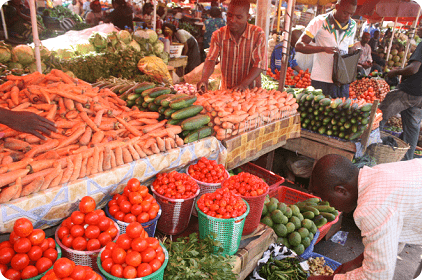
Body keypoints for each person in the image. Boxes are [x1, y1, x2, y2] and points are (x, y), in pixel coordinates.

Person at [308, 154, 422, 280]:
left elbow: (378, 276)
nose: (331, 207)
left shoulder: (372, 207)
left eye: (327, 199)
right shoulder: (375, 175)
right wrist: (356, 262)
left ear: (341, 190)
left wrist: (327, 279)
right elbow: (393, 235)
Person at [197, 0, 267, 91]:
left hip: (251, 91)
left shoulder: (258, 34)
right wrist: (204, 79)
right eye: (229, 15)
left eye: (239, 17)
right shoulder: (218, 35)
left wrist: (243, 84)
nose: (232, 20)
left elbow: (260, 64)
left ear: (248, 17)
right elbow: (211, 59)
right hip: (227, 91)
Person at [295, 0, 357, 98]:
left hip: (342, 81)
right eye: (345, 12)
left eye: (351, 14)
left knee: (341, 112)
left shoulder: (353, 25)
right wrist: (323, 49)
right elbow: (299, 45)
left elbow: (349, 49)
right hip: (322, 80)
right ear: (337, 7)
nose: (347, 17)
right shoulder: (320, 21)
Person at [378, 25, 422, 161]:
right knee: (412, 130)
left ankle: (367, 148)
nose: (418, 27)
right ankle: (407, 161)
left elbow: (414, 69)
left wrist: (396, 71)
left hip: (409, 91)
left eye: (421, 25)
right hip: (419, 96)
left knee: (378, 116)